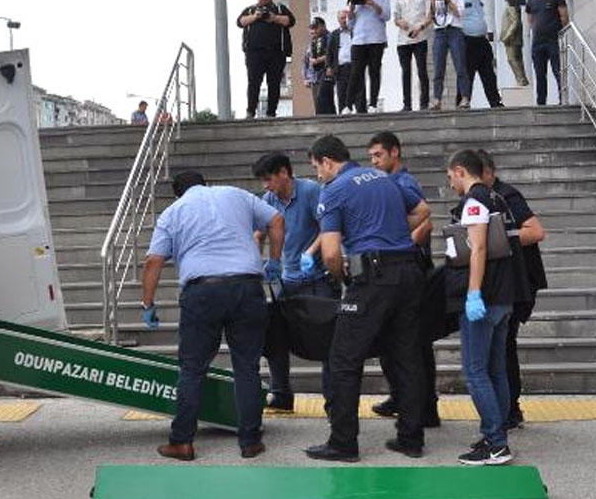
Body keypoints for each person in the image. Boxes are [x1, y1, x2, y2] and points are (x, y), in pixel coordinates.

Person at [304, 135, 431, 462]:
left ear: (327, 162)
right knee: (406, 357)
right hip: (408, 272)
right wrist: (392, 232)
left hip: (372, 277)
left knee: (344, 359)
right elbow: (422, 210)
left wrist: (342, 276)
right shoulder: (386, 179)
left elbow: (331, 252)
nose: (318, 175)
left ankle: (343, 443)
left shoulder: (333, 190)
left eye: (317, 168)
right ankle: (411, 439)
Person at [142, 171, 285, 461]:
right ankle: (250, 441)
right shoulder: (236, 194)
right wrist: (275, 260)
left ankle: (182, 442)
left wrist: (148, 304)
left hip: (202, 293)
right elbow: (277, 220)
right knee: (246, 367)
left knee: (193, 370)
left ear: (178, 193)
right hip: (247, 287)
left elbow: (153, 260)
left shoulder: (173, 212)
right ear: (206, 184)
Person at [252, 152, 339, 414]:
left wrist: (310, 253)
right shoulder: (268, 200)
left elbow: (329, 228)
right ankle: (281, 393)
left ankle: (333, 400)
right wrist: (260, 260)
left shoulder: (312, 191)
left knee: (328, 341)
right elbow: (259, 233)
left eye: (269, 179)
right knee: (275, 337)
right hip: (285, 281)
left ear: (284, 173)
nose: (266, 186)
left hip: (317, 279)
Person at [444, 150, 516, 465]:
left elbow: (479, 247)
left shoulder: (474, 202)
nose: (450, 185)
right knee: (495, 369)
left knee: (475, 371)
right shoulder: (496, 197)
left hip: (484, 299)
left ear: (460, 171)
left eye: (450, 178)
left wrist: (473, 292)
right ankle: (496, 434)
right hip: (504, 297)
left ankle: (496, 443)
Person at [366, 131, 439, 428]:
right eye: (371, 156)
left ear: (395, 153)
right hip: (395, 271)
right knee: (390, 339)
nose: (373, 161)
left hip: (412, 270)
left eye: (378, 155)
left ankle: (426, 407)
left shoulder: (404, 183)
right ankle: (400, 396)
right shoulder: (384, 182)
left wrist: (402, 244)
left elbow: (426, 219)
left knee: (415, 342)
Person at [477, 149, 547, 430]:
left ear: (489, 173)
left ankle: (510, 408)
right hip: (505, 282)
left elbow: (535, 231)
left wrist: (498, 237)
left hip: (519, 282)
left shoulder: (507, 195)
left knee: (504, 345)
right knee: (502, 345)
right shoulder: (484, 198)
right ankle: (507, 408)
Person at [237, 0, 296, 118]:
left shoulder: (280, 9)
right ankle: (250, 112)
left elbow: (290, 21)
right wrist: (255, 16)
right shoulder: (250, 10)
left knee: (274, 83)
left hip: (276, 53)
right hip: (254, 53)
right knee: (253, 82)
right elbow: (240, 22)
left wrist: (273, 18)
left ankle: (271, 113)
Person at [346, 0, 391, 113]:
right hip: (359, 40)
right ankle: (347, 105)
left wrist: (372, 3)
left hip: (376, 39)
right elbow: (350, 24)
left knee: (374, 72)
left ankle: (372, 104)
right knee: (355, 73)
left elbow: (386, 16)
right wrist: (352, 9)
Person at [456, 0, 503, 108]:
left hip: (482, 41)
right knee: (467, 74)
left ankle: (495, 102)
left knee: (489, 73)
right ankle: (462, 102)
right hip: (467, 41)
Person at [525, 0, 569, 105]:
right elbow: (529, 20)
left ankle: (563, 100)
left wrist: (557, 31)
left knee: (558, 71)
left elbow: (564, 17)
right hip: (538, 43)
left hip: (553, 40)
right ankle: (541, 103)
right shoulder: (531, 1)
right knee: (539, 74)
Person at [430, 0, 470, 111]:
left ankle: (465, 98)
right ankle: (437, 100)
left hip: (455, 31)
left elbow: (460, 14)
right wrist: (433, 0)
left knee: (460, 66)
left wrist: (448, 0)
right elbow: (431, 16)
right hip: (440, 32)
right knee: (438, 68)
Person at [394, 0, 431, 112]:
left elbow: (429, 17)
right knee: (406, 72)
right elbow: (396, 17)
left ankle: (424, 103)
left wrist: (420, 27)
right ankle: (407, 104)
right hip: (403, 40)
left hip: (420, 38)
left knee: (422, 70)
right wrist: (399, 22)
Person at [328, 9, 358, 115]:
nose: (344, 20)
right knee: (342, 94)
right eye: (342, 18)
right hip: (340, 68)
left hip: (354, 66)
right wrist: (329, 67)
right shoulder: (334, 34)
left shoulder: (355, 32)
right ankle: (342, 115)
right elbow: (329, 52)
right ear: (338, 20)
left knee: (358, 93)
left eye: (346, 18)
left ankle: (361, 114)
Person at [303, 18, 336, 115]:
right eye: (312, 29)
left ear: (323, 26)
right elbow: (305, 61)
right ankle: (323, 121)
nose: (314, 31)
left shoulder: (330, 38)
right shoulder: (313, 42)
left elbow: (333, 55)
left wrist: (318, 60)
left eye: (316, 28)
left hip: (326, 72)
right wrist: (306, 77)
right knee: (318, 102)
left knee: (323, 99)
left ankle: (327, 122)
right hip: (314, 77)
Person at [500, 0, 529, 86]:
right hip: (511, 39)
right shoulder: (511, 7)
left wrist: (507, 35)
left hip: (512, 39)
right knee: (513, 59)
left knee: (514, 59)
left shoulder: (512, 8)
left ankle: (521, 80)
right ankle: (520, 79)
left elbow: (515, 22)